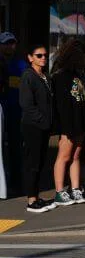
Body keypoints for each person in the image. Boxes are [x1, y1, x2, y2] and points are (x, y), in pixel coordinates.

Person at [50, 37, 85, 207]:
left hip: (80, 125)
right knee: (64, 156)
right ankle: (60, 192)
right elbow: (62, 106)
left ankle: (75, 189)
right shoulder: (61, 77)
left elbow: (83, 102)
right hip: (70, 126)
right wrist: (67, 128)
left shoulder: (79, 76)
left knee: (75, 157)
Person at [19, 45, 55, 212]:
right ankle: (31, 200)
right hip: (32, 126)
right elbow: (26, 105)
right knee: (32, 163)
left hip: (43, 127)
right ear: (30, 57)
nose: (43, 58)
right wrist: (43, 120)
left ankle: (36, 196)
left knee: (40, 162)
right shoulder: (28, 76)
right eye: (38, 55)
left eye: (45, 55)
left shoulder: (44, 76)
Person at [1, 31, 25, 196]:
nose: (10, 46)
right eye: (6, 43)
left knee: (16, 148)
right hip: (2, 109)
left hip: (16, 112)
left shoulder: (21, 65)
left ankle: (16, 182)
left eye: (12, 43)